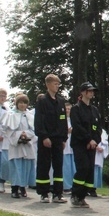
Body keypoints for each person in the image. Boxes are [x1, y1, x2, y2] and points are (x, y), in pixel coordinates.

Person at [35, 74, 68, 203]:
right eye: (55, 84)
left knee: (58, 166)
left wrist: (64, 138)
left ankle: (57, 193)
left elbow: (63, 120)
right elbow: (39, 121)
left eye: (58, 84)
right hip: (46, 139)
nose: (57, 86)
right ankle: (44, 193)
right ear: (48, 84)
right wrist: (44, 136)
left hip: (58, 139)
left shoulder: (60, 101)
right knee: (44, 165)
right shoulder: (42, 101)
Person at [69, 82, 102, 208]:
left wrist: (95, 141)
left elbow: (98, 128)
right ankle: (75, 194)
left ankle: (82, 196)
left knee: (89, 170)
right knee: (82, 168)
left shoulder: (94, 110)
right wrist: (88, 140)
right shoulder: (76, 109)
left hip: (92, 145)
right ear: (82, 92)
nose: (92, 93)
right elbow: (77, 127)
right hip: (80, 144)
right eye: (89, 90)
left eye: (93, 91)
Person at [2, 93, 36, 199]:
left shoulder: (30, 116)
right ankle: (14, 189)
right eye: (20, 102)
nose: (22, 105)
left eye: (24, 103)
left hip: (27, 145)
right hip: (16, 146)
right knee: (16, 167)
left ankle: (23, 187)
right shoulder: (11, 115)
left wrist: (27, 135)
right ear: (17, 103)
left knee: (26, 167)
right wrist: (19, 135)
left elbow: (34, 131)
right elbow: (7, 130)